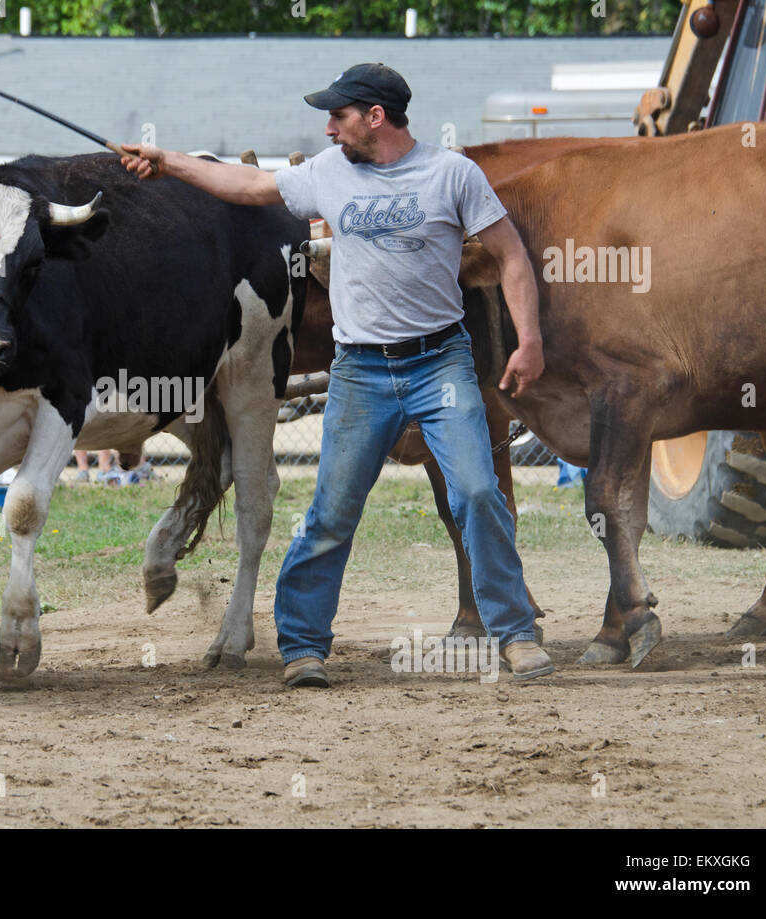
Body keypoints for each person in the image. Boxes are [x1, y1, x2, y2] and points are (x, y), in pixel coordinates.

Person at [121, 63, 553, 686]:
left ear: (375, 117)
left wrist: (529, 341)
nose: (328, 127)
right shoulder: (329, 173)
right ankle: (302, 646)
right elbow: (248, 185)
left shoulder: (453, 175)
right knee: (332, 510)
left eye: (339, 115)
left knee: (480, 493)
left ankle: (513, 633)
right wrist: (168, 162)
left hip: (441, 364)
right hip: (361, 372)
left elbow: (511, 257)